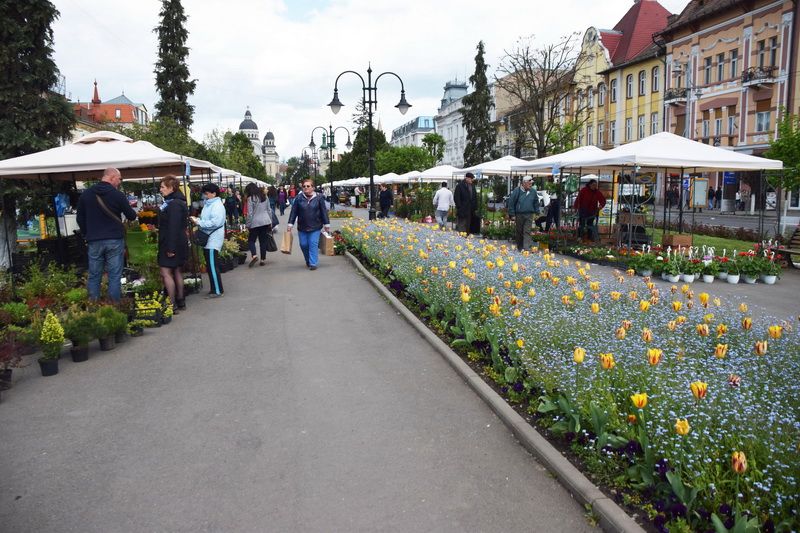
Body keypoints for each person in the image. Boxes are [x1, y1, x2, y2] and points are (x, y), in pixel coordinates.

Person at [76, 167, 137, 302]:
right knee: (114, 275)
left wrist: (87, 234)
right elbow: (132, 216)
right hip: (114, 239)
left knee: (94, 275)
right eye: (119, 179)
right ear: (111, 177)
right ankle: (114, 307)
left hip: (94, 240)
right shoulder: (118, 195)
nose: (119, 182)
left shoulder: (86, 195)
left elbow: (79, 218)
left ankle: (94, 307)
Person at [157, 176, 189, 311]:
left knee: (165, 272)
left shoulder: (174, 204)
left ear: (171, 188)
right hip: (178, 241)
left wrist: (170, 247)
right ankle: (180, 301)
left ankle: (171, 303)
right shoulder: (177, 201)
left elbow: (173, 227)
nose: (160, 189)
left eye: (163, 187)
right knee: (176, 270)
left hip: (171, 242)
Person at [190, 183, 226, 298]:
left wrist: (199, 222)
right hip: (210, 238)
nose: (204, 195)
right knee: (210, 265)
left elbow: (215, 222)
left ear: (214, 193)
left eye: (206, 193)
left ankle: (217, 290)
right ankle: (215, 288)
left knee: (212, 265)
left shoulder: (216, 205)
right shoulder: (209, 204)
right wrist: (199, 220)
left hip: (213, 239)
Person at [287, 178, 330, 270]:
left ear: (313, 187)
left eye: (308, 186)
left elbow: (324, 212)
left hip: (316, 226)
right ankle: (308, 260)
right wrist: (290, 224)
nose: (306, 188)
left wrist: (326, 224)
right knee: (303, 245)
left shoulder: (319, 198)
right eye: (304, 186)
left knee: (313, 243)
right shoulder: (299, 198)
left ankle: (313, 263)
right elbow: (294, 212)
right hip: (302, 226)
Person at [506, 176, 541, 251]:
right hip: (519, 214)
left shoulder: (533, 191)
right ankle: (520, 247)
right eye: (529, 183)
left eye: (531, 183)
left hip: (529, 214)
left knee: (527, 231)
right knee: (519, 231)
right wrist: (512, 214)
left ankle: (526, 248)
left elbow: (536, 203)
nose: (531, 185)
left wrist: (537, 213)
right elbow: (511, 203)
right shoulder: (517, 191)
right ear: (524, 183)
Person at [244, 182, 272, 268]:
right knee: (263, 241)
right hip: (265, 221)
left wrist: (248, 224)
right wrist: (270, 221)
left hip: (255, 222)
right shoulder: (264, 196)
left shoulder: (250, 198)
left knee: (251, 241)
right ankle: (263, 259)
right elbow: (269, 210)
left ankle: (254, 255)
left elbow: (250, 214)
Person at [574, 179, 606, 243]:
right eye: (594, 185)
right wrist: (576, 208)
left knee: (590, 225)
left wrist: (600, 207)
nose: (595, 186)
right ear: (590, 184)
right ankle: (580, 238)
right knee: (581, 225)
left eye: (596, 185)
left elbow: (603, 200)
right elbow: (578, 199)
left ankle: (589, 238)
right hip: (583, 210)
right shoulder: (584, 190)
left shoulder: (597, 192)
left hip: (592, 211)